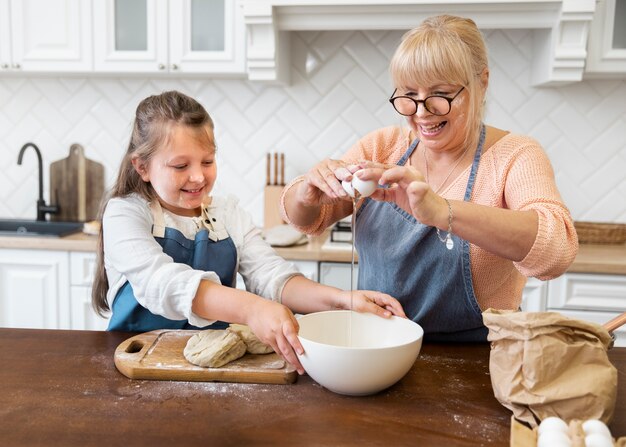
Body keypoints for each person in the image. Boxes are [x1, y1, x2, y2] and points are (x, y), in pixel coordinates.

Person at [281, 15, 578, 342]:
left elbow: (556, 251)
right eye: (408, 94)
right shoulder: (384, 147)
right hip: (379, 348)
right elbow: (308, 220)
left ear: (482, 82)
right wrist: (304, 193)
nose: (421, 112)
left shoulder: (515, 156)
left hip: (480, 364)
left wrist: (442, 211)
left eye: (440, 94)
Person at [91, 90, 405, 373]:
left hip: (216, 372)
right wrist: (252, 308)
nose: (198, 176)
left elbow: (271, 276)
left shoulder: (226, 213)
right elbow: (161, 281)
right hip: (137, 366)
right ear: (142, 166)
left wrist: (342, 300)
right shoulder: (125, 213)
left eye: (207, 161)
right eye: (180, 166)